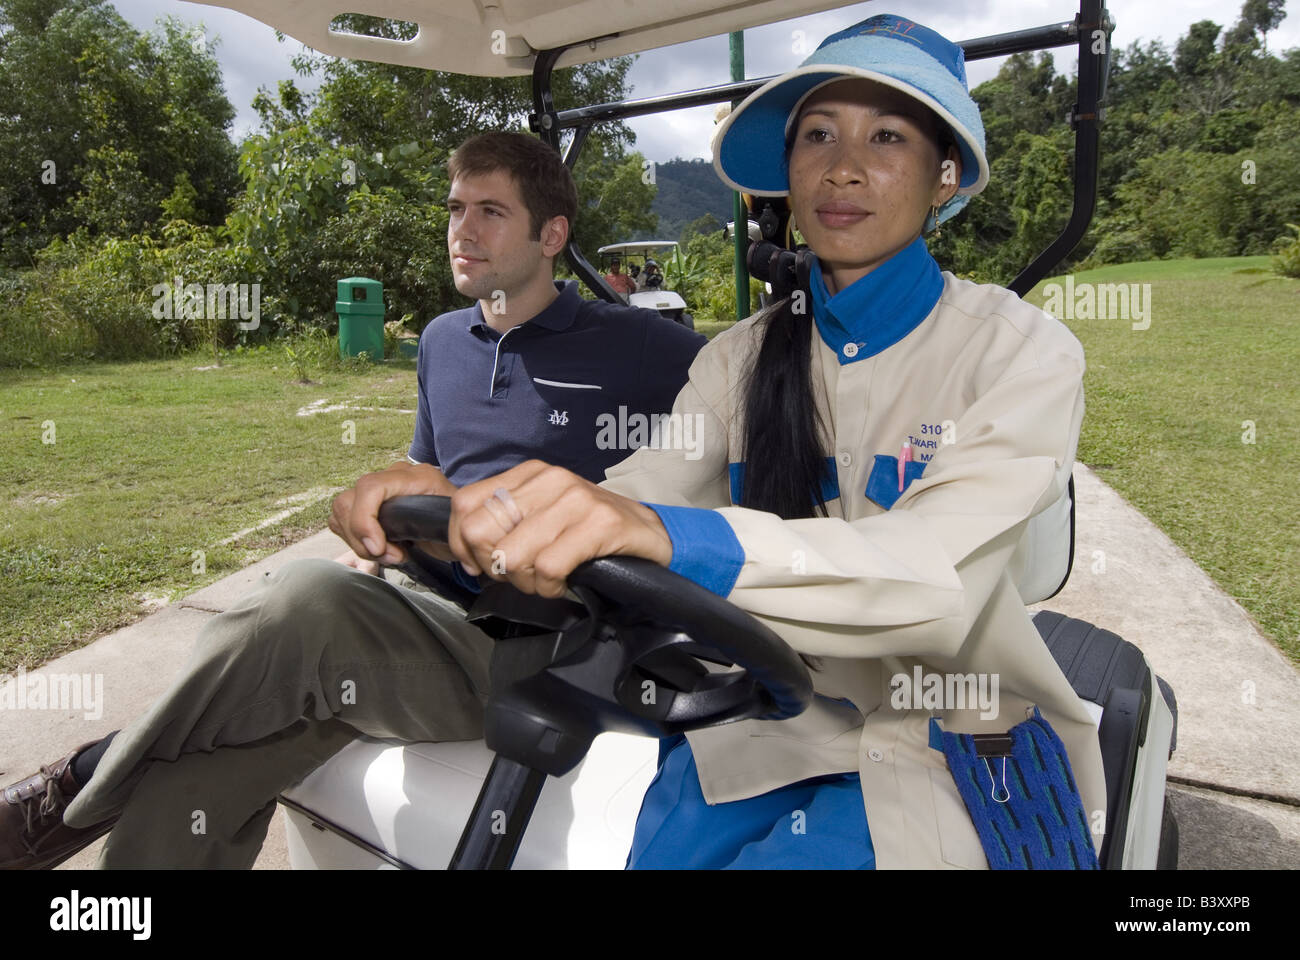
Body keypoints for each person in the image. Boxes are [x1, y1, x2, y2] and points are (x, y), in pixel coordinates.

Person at [414, 14, 1108, 869]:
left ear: (944, 174)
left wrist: (677, 538)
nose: (844, 166)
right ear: (788, 171)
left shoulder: (1021, 354)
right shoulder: (738, 357)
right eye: (818, 135)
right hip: (764, 715)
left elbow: (931, 573)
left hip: (947, 735)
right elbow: (639, 490)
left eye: (886, 136)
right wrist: (475, 507)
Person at [2, 131, 704, 869]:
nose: (463, 229)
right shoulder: (442, 341)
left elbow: (747, 396)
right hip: (424, 613)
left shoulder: (640, 345)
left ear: (551, 234)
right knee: (198, 779)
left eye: (492, 211)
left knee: (304, 596)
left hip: (542, 642)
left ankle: (74, 790)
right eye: (456, 208)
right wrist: (382, 533)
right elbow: (426, 467)